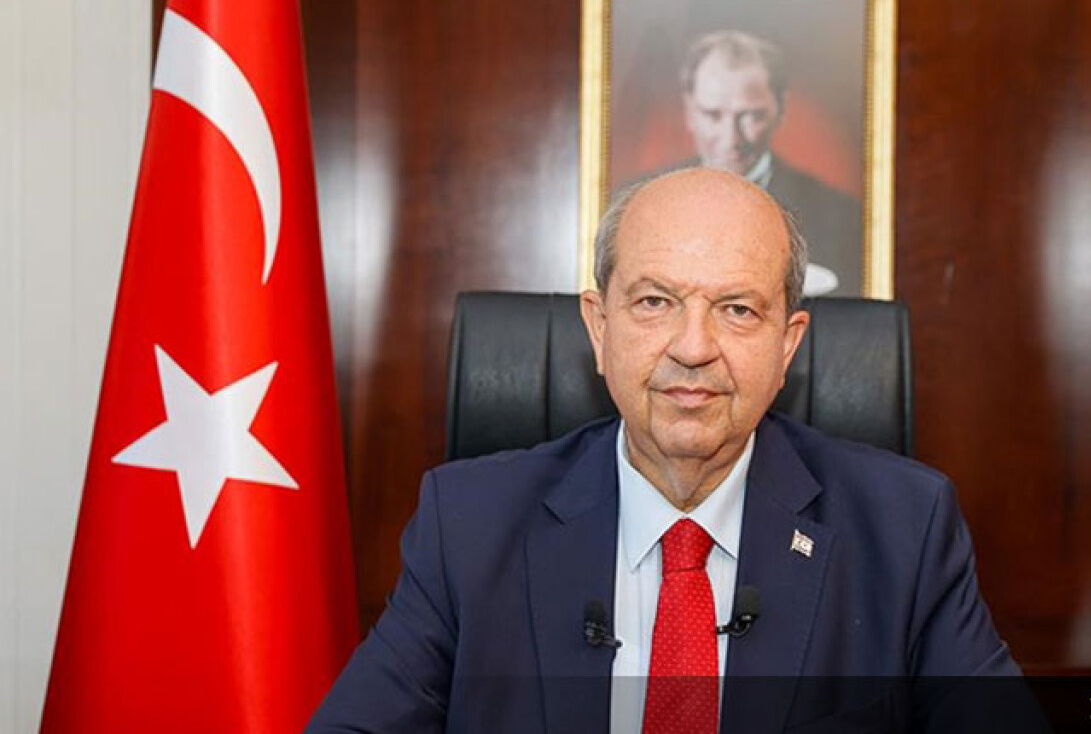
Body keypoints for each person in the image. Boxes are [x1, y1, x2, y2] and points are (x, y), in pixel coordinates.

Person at [308, 170, 1021, 734]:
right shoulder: (467, 526)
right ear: (599, 327)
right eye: (655, 302)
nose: (693, 346)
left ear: (788, 345)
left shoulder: (904, 530)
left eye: (737, 309)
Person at [674, 30, 863, 297]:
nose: (731, 138)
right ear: (689, 111)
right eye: (712, 115)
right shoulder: (638, 206)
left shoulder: (839, 217)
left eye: (750, 116)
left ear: (780, 110)